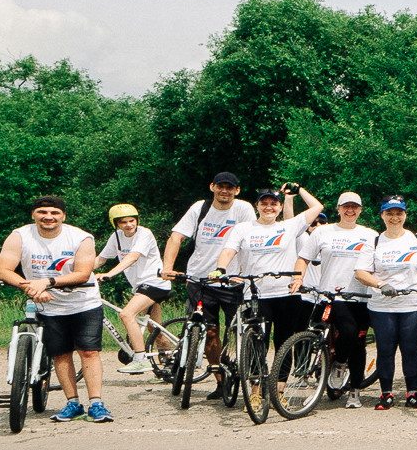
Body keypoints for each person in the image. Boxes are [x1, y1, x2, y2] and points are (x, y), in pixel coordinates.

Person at [0, 195, 109, 422]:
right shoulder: (19, 236)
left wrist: (46, 282)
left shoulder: (81, 238)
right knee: (60, 353)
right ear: (33, 215)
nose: (49, 217)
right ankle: (72, 403)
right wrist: (30, 288)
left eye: (55, 213)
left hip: (83, 302)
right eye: (43, 212)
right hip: (47, 305)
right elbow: (2, 270)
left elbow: (82, 273)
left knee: (89, 351)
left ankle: (96, 403)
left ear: (63, 216)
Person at [161, 172, 257, 388]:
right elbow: (176, 237)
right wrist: (167, 267)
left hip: (233, 282)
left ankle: (247, 375)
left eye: (230, 188)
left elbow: (253, 239)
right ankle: (220, 380)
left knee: (241, 331)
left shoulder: (243, 209)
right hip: (200, 280)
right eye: (220, 186)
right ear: (212, 187)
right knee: (209, 331)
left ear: (237, 190)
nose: (225, 191)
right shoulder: (200, 208)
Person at [355, 197, 417, 409]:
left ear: (405, 215)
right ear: (382, 215)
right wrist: (380, 284)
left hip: (412, 303)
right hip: (383, 305)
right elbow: (360, 273)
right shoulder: (374, 242)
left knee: (411, 349)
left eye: (398, 213)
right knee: (386, 349)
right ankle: (386, 394)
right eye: (389, 213)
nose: (394, 217)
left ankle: (412, 393)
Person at [222, 182, 324, 350]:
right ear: (257, 206)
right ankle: (255, 375)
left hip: (286, 293)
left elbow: (317, 207)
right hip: (255, 294)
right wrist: (221, 269)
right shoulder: (243, 228)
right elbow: (228, 251)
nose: (269, 207)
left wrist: (298, 191)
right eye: (264, 203)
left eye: (274, 204)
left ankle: (281, 377)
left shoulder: (288, 226)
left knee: (283, 341)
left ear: (280, 206)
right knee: (256, 342)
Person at [310, 193, 379, 408]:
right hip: (331, 294)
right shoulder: (323, 231)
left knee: (357, 342)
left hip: (361, 296)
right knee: (342, 333)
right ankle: (336, 363)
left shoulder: (371, 234)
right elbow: (304, 257)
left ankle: (354, 391)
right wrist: (297, 278)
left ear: (360, 210)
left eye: (355, 207)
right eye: (346, 207)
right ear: (338, 209)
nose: (350, 211)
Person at [99, 202, 168, 374]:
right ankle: (169, 366)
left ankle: (140, 358)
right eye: (123, 222)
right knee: (154, 329)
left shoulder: (145, 233)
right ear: (116, 224)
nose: (129, 225)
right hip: (140, 286)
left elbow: (133, 257)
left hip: (155, 282)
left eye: (132, 220)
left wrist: (109, 274)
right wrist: (80, 272)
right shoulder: (116, 237)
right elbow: (100, 259)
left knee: (126, 314)